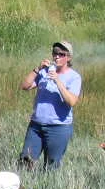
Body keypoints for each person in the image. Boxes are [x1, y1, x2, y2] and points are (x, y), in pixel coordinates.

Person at [19, 40, 81, 169]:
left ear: (68, 57)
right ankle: (24, 187)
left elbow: (72, 101)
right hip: (36, 125)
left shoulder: (74, 77)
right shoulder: (44, 72)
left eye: (61, 54)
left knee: (51, 166)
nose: (56, 56)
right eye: (55, 53)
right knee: (26, 161)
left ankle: (46, 188)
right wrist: (38, 69)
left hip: (58, 127)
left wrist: (57, 80)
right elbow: (24, 86)